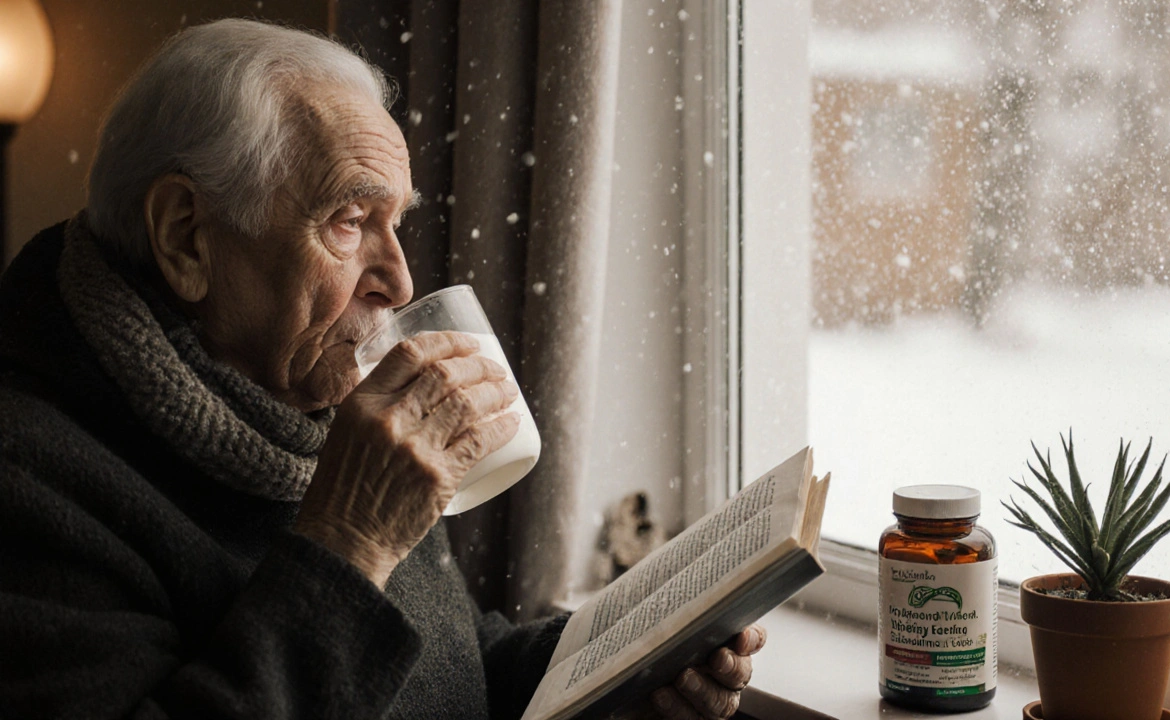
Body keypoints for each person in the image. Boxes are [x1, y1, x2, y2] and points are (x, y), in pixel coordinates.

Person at [0, 18, 764, 720]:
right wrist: (352, 540)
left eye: (394, 222)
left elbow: (446, 672)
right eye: (348, 219)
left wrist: (638, 664)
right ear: (186, 237)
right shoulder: (31, 477)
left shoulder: (304, 394)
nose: (399, 280)